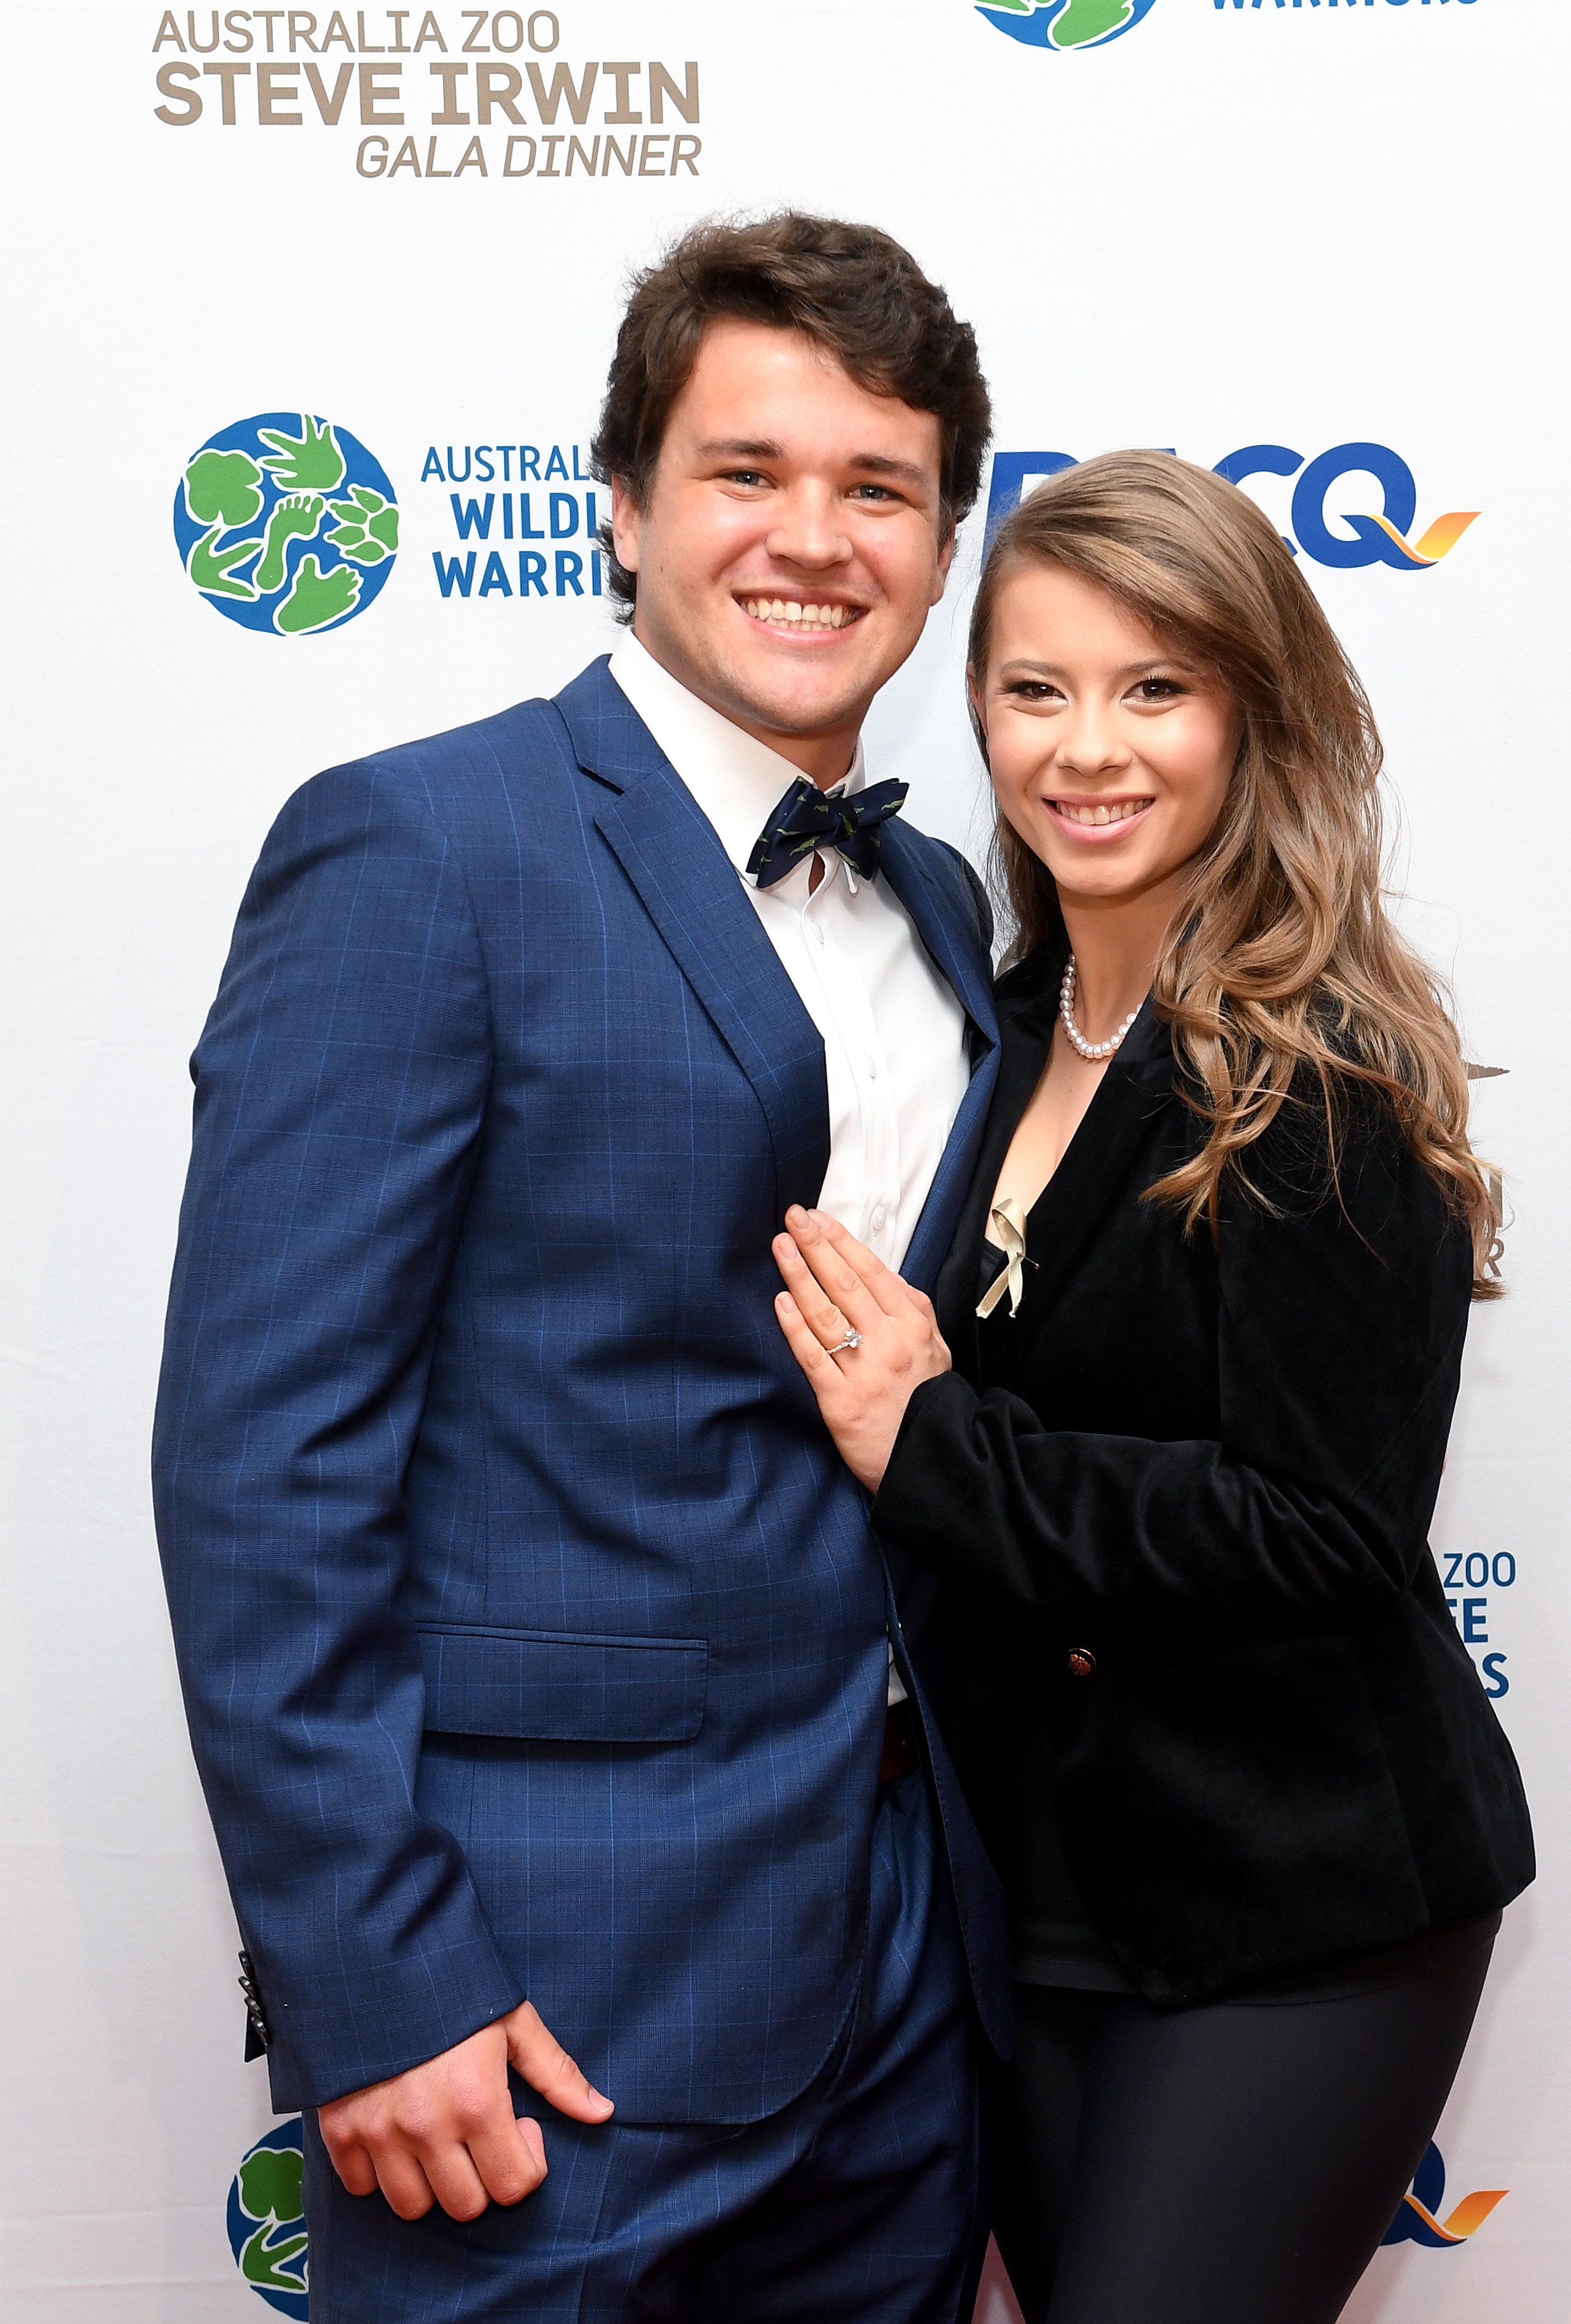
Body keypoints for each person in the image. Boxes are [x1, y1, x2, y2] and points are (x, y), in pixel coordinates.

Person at [152, 212, 1014, 2323]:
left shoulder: (946, 903)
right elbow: (264, 1465)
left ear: (941, 539)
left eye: (877, 488)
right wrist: (372, 1974)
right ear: (619, 510)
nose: (813, 539)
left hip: (909, 1984)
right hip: (535, 2009)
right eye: (747, 473)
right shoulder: (423, 849)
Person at [771, 450, 1537, 2324]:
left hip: (1299, 1900)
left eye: (1152, 688)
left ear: (1245, 717)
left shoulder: (1318, 1072)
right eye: (1033, 689)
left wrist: (930, 1442)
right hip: (1036, 1894)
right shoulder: (995, 1031)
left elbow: (1318, 1527)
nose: (1084, 749)